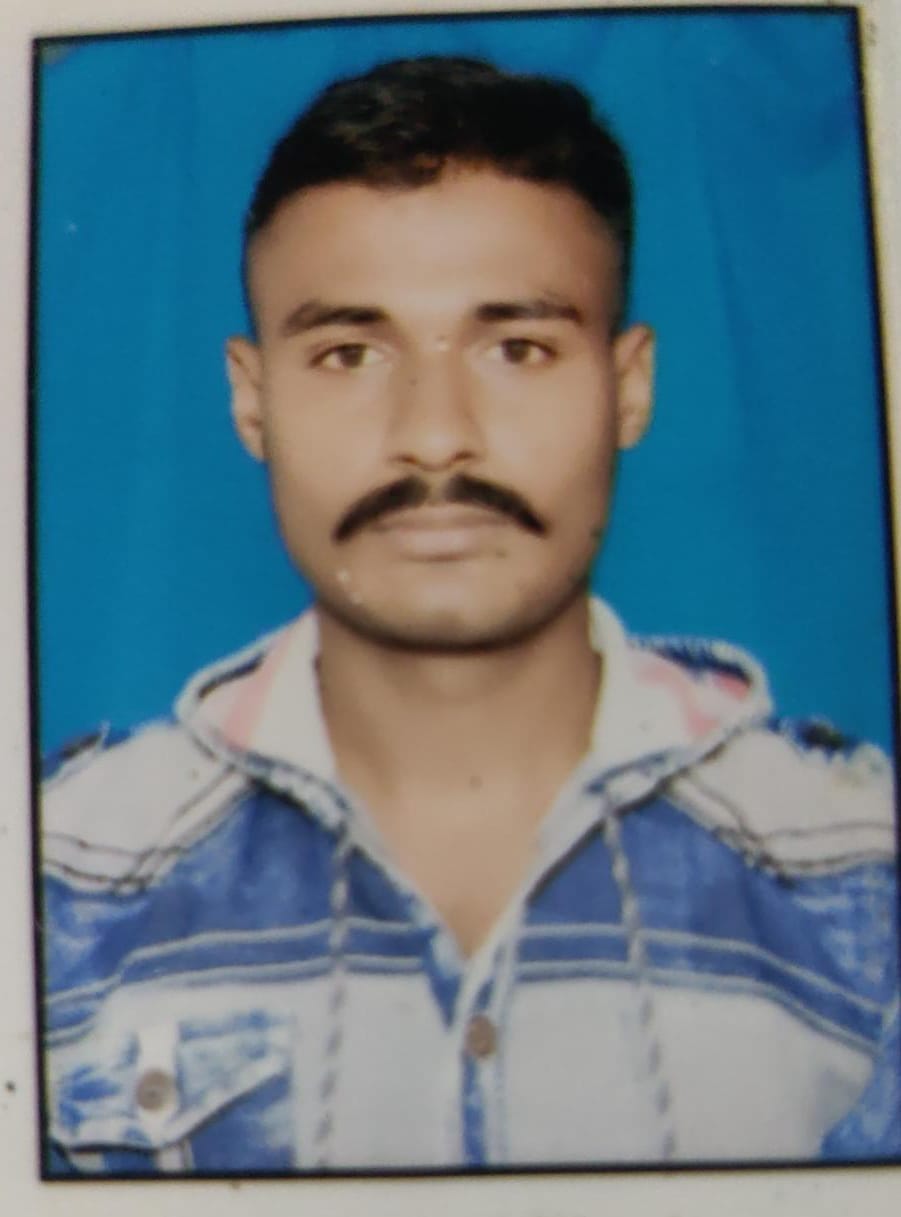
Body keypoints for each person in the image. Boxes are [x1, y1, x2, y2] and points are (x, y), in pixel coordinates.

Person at [41, 55, 899, 1175]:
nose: (436, 434)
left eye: (517, 348)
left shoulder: (857, 867)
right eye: (350, 353)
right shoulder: (64, 874)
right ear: (251, 400)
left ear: (629, 385)